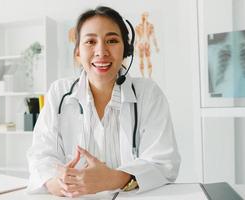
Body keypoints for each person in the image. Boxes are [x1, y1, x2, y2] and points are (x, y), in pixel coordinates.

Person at [27, 6, 180, 197]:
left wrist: (113, 179)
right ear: (77, 53)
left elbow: (163, 162)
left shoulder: (148, 93)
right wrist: (56, 183)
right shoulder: (59, 93)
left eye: (112, 40)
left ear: (126, 50)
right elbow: (40, 155)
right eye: (90, 41)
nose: (101, 51)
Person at [135, 12, 159, 78]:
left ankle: (149, 76)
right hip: (141, 45)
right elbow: (136, 39)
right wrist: (134, 48)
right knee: (141, 60)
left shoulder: (150, 26)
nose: (145, 17)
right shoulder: (138, 26)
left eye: (146, 16)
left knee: (148, 60)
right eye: (144, 16)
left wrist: (156, 46)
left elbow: (154, 37)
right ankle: (143, 77)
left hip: (147, 44)